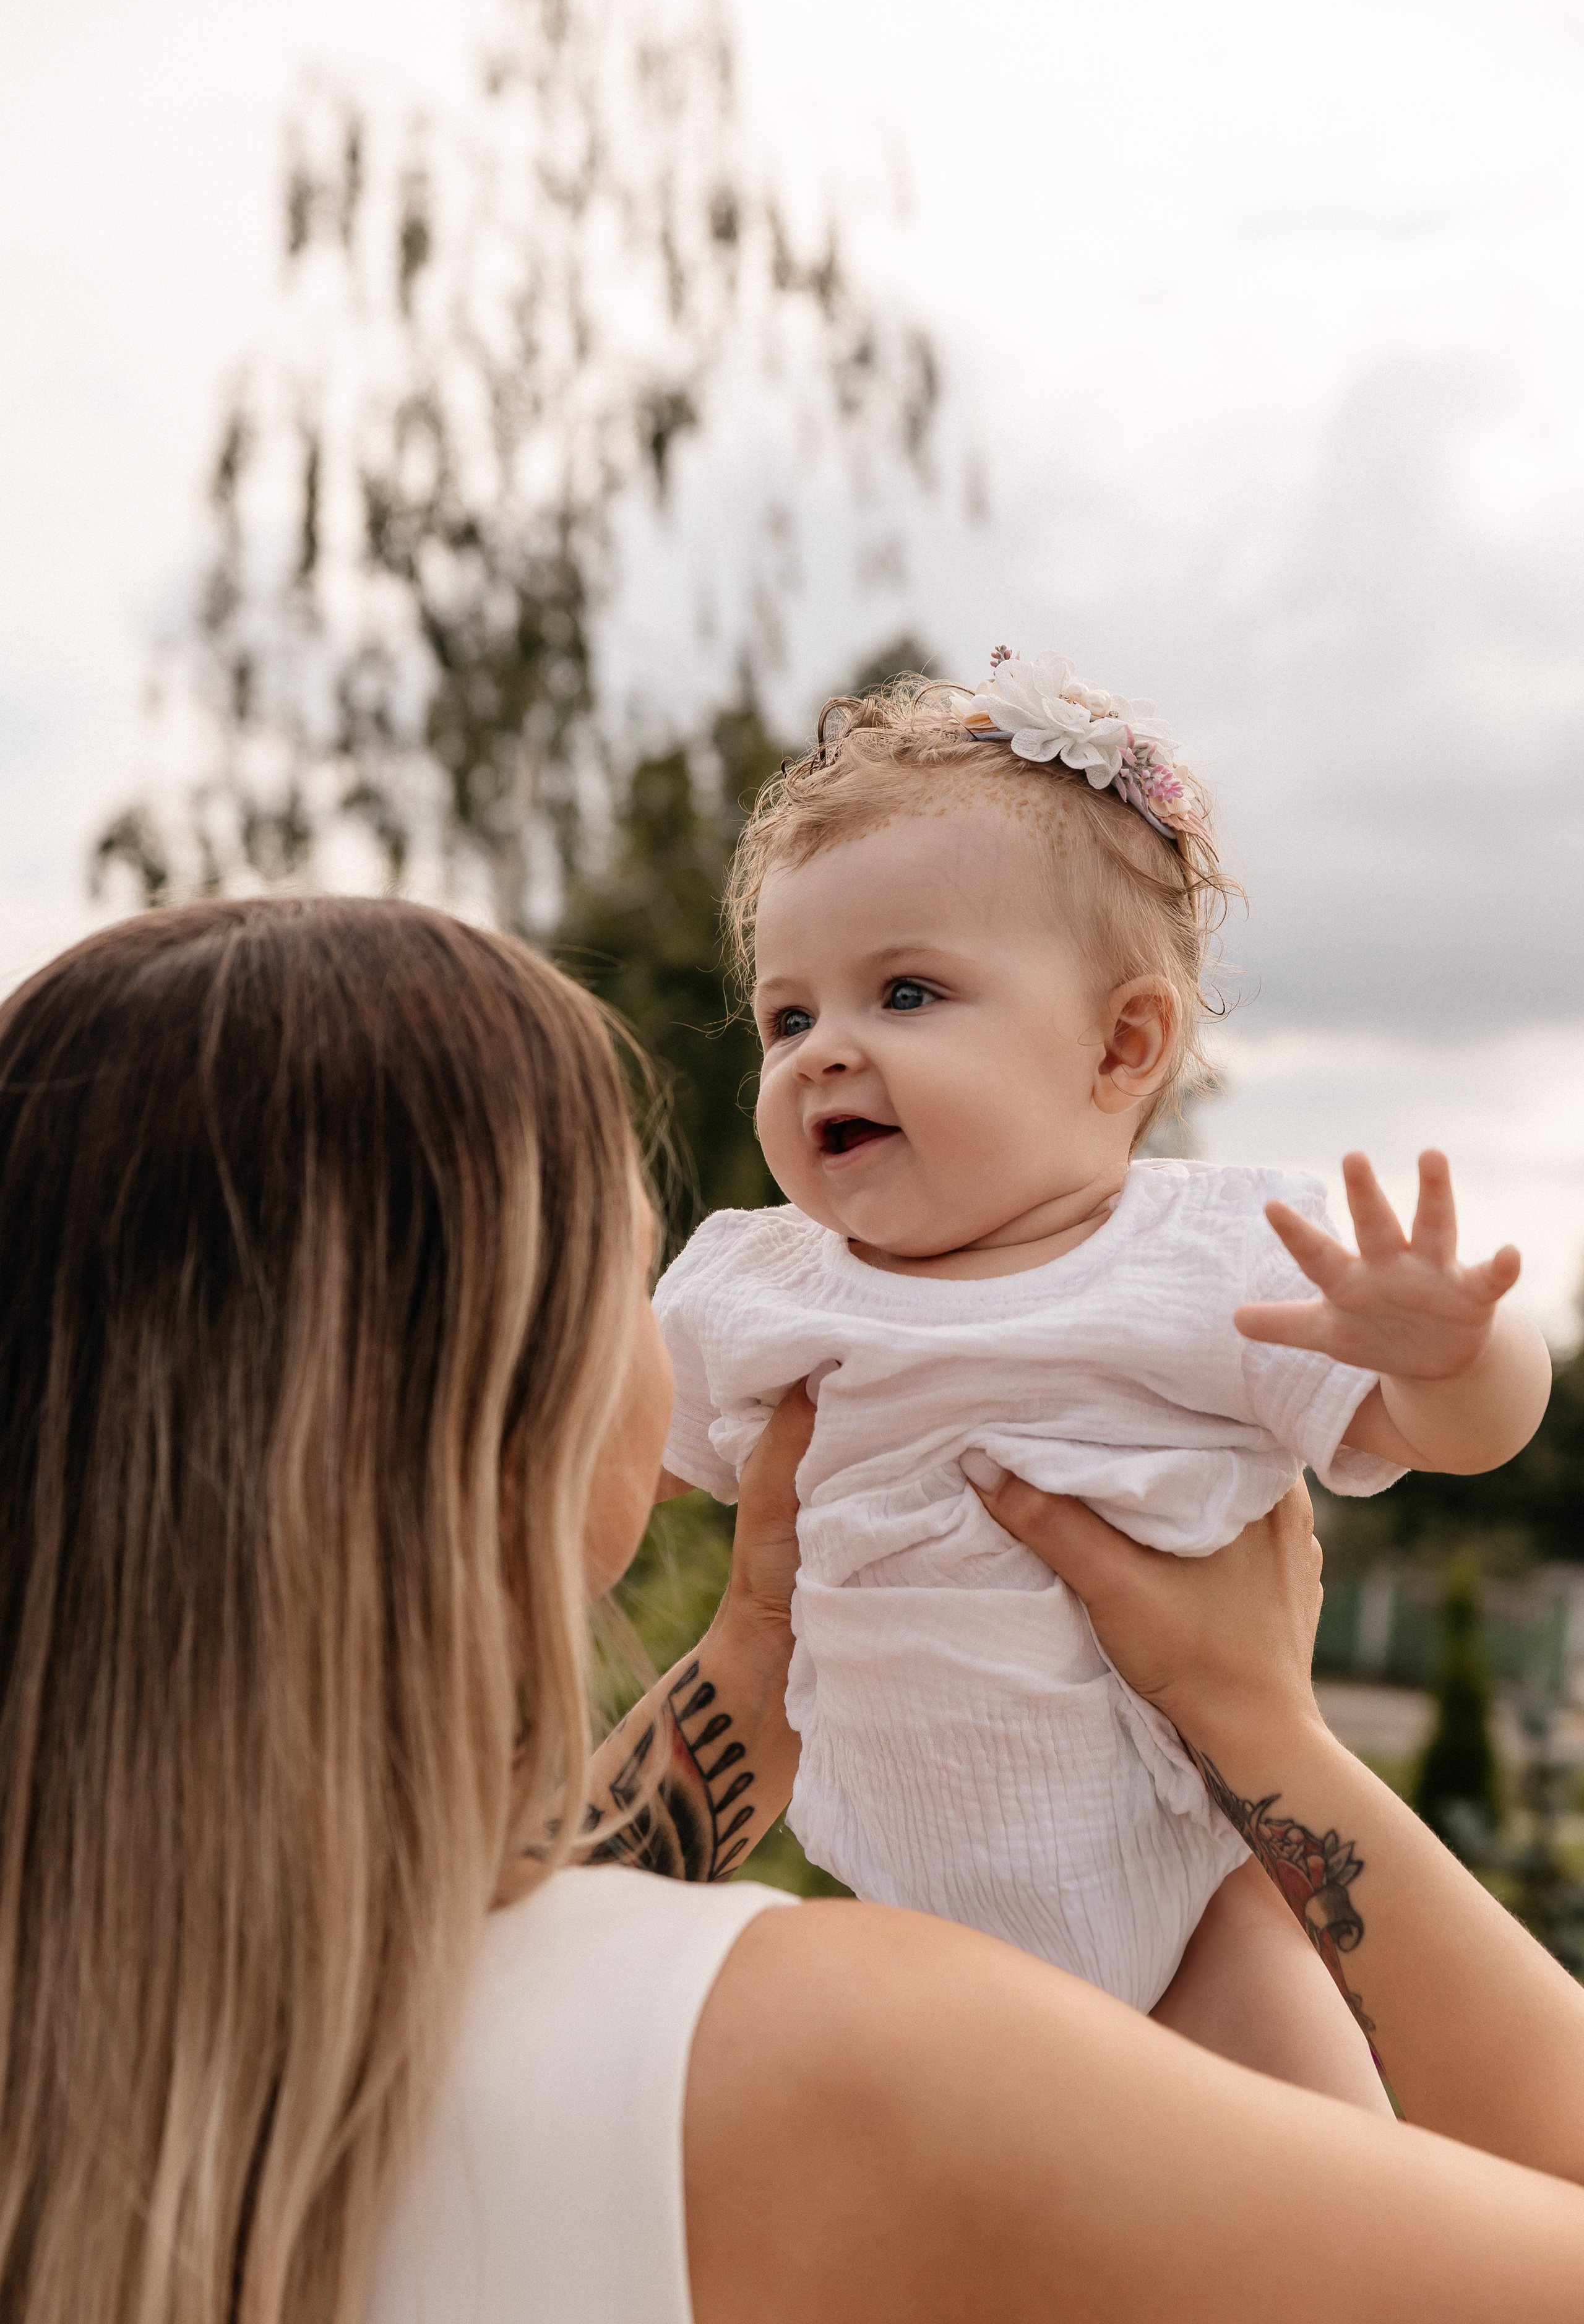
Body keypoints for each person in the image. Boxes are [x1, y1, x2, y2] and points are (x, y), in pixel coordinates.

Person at [5, 896, 1584, 2324]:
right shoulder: (830, 2059)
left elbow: (499, 1935)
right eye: (629, 1267)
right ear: (514, 1405)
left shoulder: (129, 2041)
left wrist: (757, 1648)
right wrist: (1262, 1731)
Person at [650, 653, 1551, 2099]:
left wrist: (1459, 1357)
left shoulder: (1206, 1260)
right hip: (903, 1927)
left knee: (1313, 2180)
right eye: (787, 1017)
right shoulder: (757, 1285)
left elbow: (1453, 1436)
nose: (822, 1054)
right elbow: (588, 1469)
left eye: (903, 992)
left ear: (1121, 1045)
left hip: (1202, 1908)